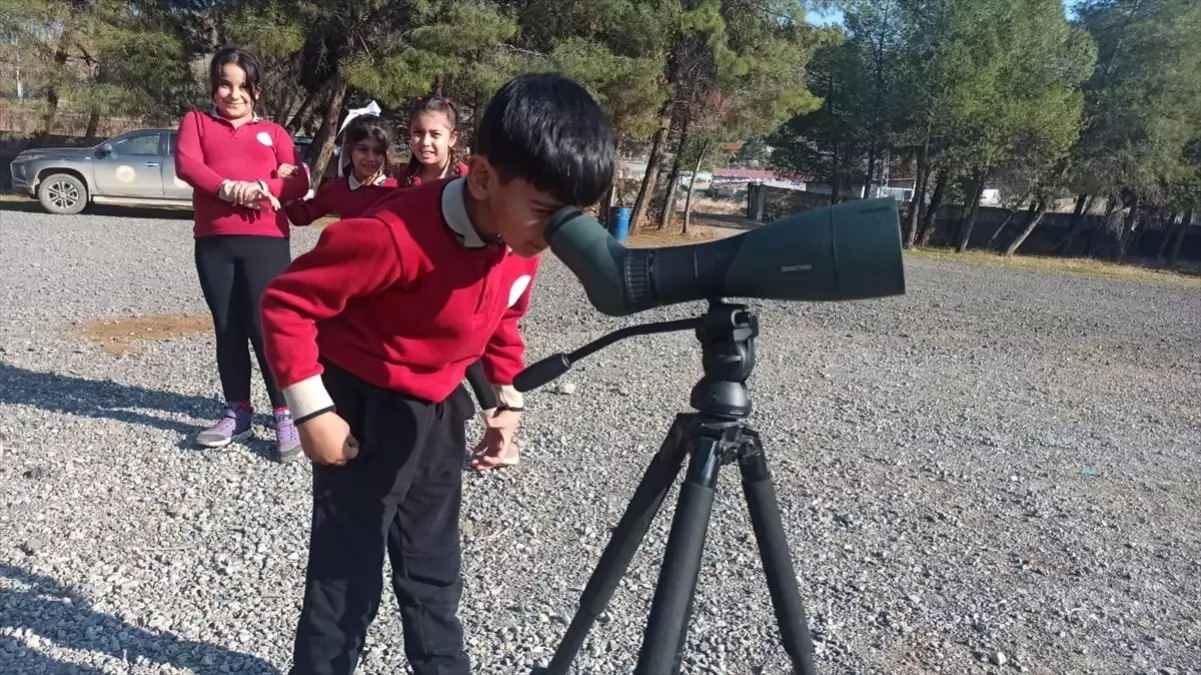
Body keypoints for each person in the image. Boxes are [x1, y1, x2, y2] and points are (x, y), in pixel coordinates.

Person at [258, 72, 615, 675]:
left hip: (439, 409)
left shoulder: (518, 239)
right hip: (362, 409)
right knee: (348, 575)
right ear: (480, 176)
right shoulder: (394, 236)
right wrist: (311, 408)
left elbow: (504, 319)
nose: (561, 234)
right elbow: (286, 302)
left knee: (432, 570)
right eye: (550, 214)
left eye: (573, 215)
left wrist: (506, 403)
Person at [174, 45, 310, 462]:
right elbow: (187, 164)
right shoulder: (196, 122)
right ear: (214, 88)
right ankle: (238, 412)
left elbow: (300, 179)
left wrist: (269, 188)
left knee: (264, 326)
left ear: (256, 90)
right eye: (224, 85)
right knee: (228, 326)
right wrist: (230, 188)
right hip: (214, 242)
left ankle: (285, 413)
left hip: (266, 241)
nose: (233, 94)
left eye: (242, 86)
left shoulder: (275, 134)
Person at [280, 115, 399, 226]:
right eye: (363, 149)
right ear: (349, 148)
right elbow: (302, 217)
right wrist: (286, 185)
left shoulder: (396, 190)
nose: (370, 158)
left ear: (386, 153)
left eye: (378, 152)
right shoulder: (337, 188)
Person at [399, 96, 469, 186]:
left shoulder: (467, 180)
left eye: (435, 134)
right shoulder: (405, 178)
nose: (425, 142)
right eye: (418, 132)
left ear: (452, 138)